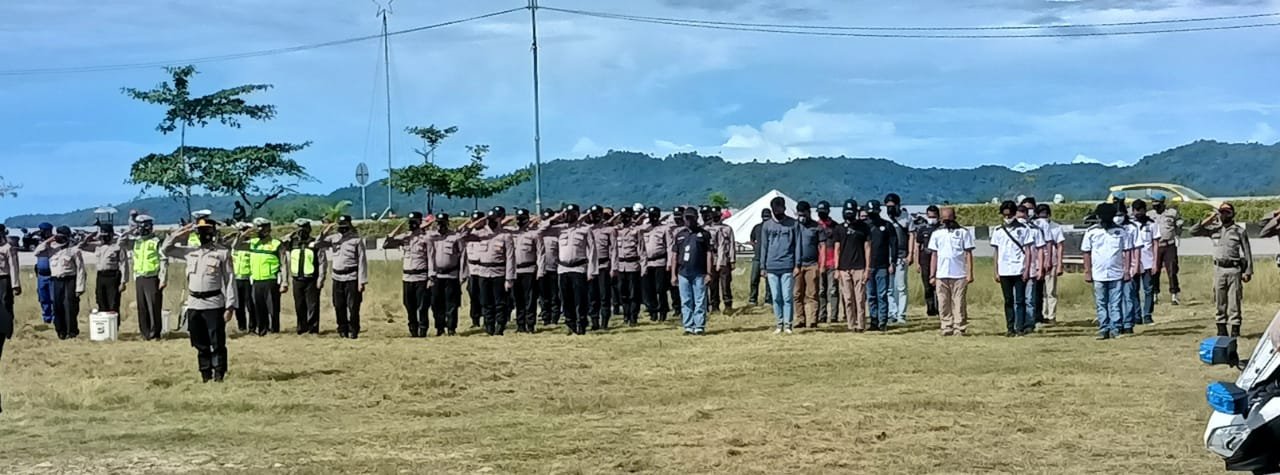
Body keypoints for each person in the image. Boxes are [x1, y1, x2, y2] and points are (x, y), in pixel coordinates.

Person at [161, 217, 236, 382]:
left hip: (214, 303)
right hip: (194, 304)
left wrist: (230, 306)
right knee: (199, 342)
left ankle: (219, 374)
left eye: (207, 231)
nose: (204, 234)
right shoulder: (190, 252)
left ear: (213, 232)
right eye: (200, 231)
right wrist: (178, 235)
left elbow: (230, 280)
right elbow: (166, 250)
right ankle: (205, 373)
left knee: (217, 342)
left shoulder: (222, 253)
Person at [1192, 202, 1253, 337]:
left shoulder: (1239, 231)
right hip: (1219, 269)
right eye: (1222, 212)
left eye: (1227, 212)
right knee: (1219, 299)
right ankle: (1221, 327)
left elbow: (1247, 252)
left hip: (1234, 269)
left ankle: (1235, 328)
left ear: (1233, 214)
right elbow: (1194, 231)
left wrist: (1248, 271)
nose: (1224, 215)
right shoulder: (1214, 229)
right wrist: (1210, 218)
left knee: (1234, 300)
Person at [460, 207, 517, 336]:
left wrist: (509, 279)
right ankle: (489, 326)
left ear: (500, 219)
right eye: (490, 219)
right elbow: (462, 236)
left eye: (494, 219)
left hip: (499, 272)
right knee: (485, 301)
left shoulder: (505, 235)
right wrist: (478, 221)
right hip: (483, 272)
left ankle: (500, 326)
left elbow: (510, 258)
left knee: (500, 302)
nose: (491, 221)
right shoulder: (481, 234)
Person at [545, 204, 599, 335]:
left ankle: (581, 324)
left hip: (579, 268)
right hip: (563, 269)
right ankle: (570, 324)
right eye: (567, 213)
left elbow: (592, 251)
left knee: (580, 299)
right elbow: (541, 229)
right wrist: (557, 216)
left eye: (571, 213)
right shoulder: (559, 229)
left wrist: (592, 271)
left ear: (577, 214)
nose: (569, 216)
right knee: (566, 299)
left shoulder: (585, 230)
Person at [315, 215, 368, 339]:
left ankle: (353, 329)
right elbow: (317, 244)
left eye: (345, 225)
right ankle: (342, 329)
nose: (342, 227)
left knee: (353, 306)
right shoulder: (333, 238)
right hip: (337, 277)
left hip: (352, 277)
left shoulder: (356, 240)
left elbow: (362, 261)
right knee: (338, 305)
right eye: (340, 225)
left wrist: (362, 281)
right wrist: (326, 230)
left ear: (349, 225)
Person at [1083, 203, 1130, 340]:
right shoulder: (1091, 232)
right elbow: (1086, 252)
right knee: (1101, 303)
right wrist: (1087, 271)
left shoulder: (1121, 231)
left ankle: (1115, 328)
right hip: (1098, 274)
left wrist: (1127, 270)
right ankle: (1104, 329)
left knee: (1115, 303)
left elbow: (1127, 251)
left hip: (1116, 273)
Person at [991, 201, 1036, 337]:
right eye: (1005, 215)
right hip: (1004, 270)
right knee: (1008, 300)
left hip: (1019, 269)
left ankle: (1020, 327)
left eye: (1010, 215)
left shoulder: (1024, 229)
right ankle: (1010, 327)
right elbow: (996, 252)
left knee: (1020, 300)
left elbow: (1028, 251)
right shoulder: (998, 231)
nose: (1007, 218)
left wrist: (1027, 269)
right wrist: (996, 271)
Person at [384, 212, 433, 337]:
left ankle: (423, 329)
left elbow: (431, 258)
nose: (412, 224)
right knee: (409, 305)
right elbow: (387, 244)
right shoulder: (404, 237)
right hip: (407, 277)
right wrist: (399, 227)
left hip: (421, 277)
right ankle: (413, 329)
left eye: (414, 222)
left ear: (419, 222)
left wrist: (431, 277)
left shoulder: (426, 238)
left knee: (422, 306)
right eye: (410, 222)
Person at [928, 207, 975, 336]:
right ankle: (946, 326)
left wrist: (970, 273)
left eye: (949, 218)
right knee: (943, 302)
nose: (947, 221)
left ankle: (959, 327)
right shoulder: (937, 234)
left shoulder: (963, 232)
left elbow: (968, 254)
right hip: (941, 274)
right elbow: (934, 255)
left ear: (954, 217)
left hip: (959, 274)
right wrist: (932, 275)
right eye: (944, 219)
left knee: (959, 302)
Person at [119, 215, 167, 340]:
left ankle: (155, 333)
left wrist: (163, 279)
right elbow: (121, 243)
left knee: (153, 306)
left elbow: (163, 260)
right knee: (142, 306)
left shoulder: (156, 241)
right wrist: (130, 231)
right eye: (138, 226)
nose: (140, 229)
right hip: (139, 277)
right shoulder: (137, 241)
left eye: (142, 226)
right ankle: (145, 333)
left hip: (152, 277)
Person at [35, 226, 86, 340]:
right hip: (56, 280)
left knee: (69, 306)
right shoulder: (51, 249)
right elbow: (37, 252)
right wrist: (49, 240)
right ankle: (60, 331)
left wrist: (80, 287)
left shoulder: (74, 250)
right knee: (57, 306)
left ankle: (71, 332)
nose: (60, 239)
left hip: (69, 279)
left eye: (62, 237)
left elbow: (81, 270)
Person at [758, 197, 800, 334]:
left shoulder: (793, 224)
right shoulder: (767, 225)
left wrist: (797, 264)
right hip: (771, 266)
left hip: (788, 264)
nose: (778, 211)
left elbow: (797, 245)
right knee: (776, 297)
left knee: (787, 297)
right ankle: (779, 323)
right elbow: (764, 246)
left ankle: (788, 324)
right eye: (775, 209)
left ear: (784, 208)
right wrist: (762, 266)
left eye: (780, 208)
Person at [671, 207, 713, 335]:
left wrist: (709, 273)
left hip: (699, 272)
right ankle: (688, 325)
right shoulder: (679, 235)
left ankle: (699, 325)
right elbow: (674, 255)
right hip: (683, 272)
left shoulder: (704, 234)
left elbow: (709, 254)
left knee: (700, 300)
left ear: (696, 218)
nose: (689, 221)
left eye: (691, 218)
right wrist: (673, 274)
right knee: (686, 300)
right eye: (687, 218)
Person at [832, 200, 869, 332]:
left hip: (859, 267)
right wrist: (836, 268)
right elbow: (837, 249)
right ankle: (850, 324)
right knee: (848, 298)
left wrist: (867, 268)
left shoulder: (863, 227)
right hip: (843, 268)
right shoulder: (839, 228)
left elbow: (867, 248)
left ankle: (861, 324)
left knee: (860, 299)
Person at [79, 222, 129, 317]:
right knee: (101, 301)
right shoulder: (97, 246)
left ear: (111, 234)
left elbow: (124, 264)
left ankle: (114, 324)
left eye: (106, 234)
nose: (104, 237)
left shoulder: (117, 247)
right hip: (101, 276)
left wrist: (123, 282)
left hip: (113, 276)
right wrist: (89, 237)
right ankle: (104, 323)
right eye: (103, 235)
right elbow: (81, 246)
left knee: (113, 303)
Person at [428, 213, 466, 336]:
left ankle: (451, 328)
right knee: (436, 304)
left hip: (451, 275)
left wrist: (462, 275)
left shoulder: (455, 237)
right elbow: (430, 256)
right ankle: (440, 328)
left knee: (452, 304)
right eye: (438, 223)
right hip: (437, 276)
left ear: (447, 223)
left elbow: (463, 256)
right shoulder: (432, 238)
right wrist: (430, 274)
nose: (440, 226)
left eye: (442, 223)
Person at [285, 220, 325, 335]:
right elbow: (282, 242)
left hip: (311, 279)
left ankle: (312, 329)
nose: (301, 231)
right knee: (299, 305)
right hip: (297, 279)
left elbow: (322, 261)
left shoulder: (314, 243)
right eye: (299, 228)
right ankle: (302, 327)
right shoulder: (292, 242)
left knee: (312, 305)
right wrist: (292, 234)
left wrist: (321, 278)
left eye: (304, 228)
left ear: (309, 229)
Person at [1148, 193, 1184, 305]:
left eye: (1157, 203)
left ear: (1163, 203)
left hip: (1169, 245)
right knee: (1155, 270)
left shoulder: (1171, 213)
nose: (1155, 205)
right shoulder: (1150, 214)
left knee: (1172, 270)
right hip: (1156, 245)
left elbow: (1179, 224)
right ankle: (1154, 294)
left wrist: (1177, 235)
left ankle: (1174, 295)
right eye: (1153, 203)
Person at [884, 193, 914, 325]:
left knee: (901, 287)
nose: (890, 208)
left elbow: (912, 235)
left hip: (902, 256)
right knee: (889, 288)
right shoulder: (884, 217)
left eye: (892, 206)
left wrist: (911, 254)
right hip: (887, 256)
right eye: (888, 206)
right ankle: (892, 313)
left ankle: (901, 314)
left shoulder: (907, 217)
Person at [1016, 203, 1047, 330]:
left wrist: (1040, 268)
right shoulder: (1013, 230)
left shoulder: (1035, 230)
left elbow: (1040, 249)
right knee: (1018, 299)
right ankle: (1018, 323)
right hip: (1016, 269)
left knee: (1029, 298)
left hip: (1032, 268)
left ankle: (1029, 323)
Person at [511, 208, 543, 333]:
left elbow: (541, 254)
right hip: (515, 271)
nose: (519, 221)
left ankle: (530, 324)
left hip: (529, 270)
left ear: (527, 219)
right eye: (518, 218)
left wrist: (540, 271)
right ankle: (520, 325)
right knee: (518, 299)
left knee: (530, 300)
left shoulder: (534, 234)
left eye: (522, 218)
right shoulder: (512, 233)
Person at [1034, 204, 1066, 325]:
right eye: (1040, 214)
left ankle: (1051, 315)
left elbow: (1060, 246)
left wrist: (1059, 264)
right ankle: (1041, 314)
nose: (1043, 217)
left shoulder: (1056, 227)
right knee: (1039, 292)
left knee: (1050, 291)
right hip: (1037, 263)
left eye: (1045, 214)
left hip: (1051, 262)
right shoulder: (1034, 226)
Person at [793, 201, 823, 329]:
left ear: (808, 212)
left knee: (812, 294)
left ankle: (813, 320)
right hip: (797, 266)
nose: (802, 217)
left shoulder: (816, 227)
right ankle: (800, 319)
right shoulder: (794, 226)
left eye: (803, 214)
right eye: (799, 214)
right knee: (797, 294)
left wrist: (821, 265)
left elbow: (822, 246)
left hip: (812, 264)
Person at [613, 208, 645, 327]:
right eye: (622, 216)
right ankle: (626, 315)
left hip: (633, 265)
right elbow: (614, 250)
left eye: (626, 216)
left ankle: (633, 316)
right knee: (623, 293)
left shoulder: (636, 230)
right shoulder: (617, 230)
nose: (624, 218)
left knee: (633, 293)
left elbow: (641, 249)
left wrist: (644, 266)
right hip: (621, 265)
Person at [1130, 200, 1160, 326]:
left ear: (1144, 210)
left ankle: (1147, 315)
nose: (1138, 213)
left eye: (1140, 210)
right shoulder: (1130, 225)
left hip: (1148, 261)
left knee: (1148, 289)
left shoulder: (1152, 224)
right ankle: (1137, 316)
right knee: (1134, 290)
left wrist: (1155, 263)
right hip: (1133, 263)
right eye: (1136, 211)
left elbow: (1155, 244)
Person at [640, 206, 673, 322]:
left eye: (655, 215)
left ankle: (663, 311)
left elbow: (669, 246)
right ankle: (653, 311)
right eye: (651, 215)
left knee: (661, 289)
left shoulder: (665, 228)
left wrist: (669, 262)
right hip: (647, 263)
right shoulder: (645, 229)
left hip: (660, 262)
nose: (653, 218)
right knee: (649, 289)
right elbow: (642, 248)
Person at [588, 205, 616, 330]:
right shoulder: (587, 229)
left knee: (604, 295)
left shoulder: (609, 230)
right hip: (590, 267)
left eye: (596, 214)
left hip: (604, 265)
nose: (594, 217)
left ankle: (604, 321)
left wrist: (614, 267)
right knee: (592, 296)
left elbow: (613, 250)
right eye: (592, 214)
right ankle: (594, 321)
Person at [815, 201, 841, 323]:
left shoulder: (836, 227)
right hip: (819, 263)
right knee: (821, 290)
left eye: (823, 211)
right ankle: (822, 315)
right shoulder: (815, 226)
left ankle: (834, 316)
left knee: (833, 290)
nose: (821, 214)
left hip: (832, 263)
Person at [707, 206, 735, 315]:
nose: (715, 218)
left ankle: (728, 305)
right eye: (713, 216)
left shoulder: (727, 229)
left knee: (725, 284)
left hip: (724, 259)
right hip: (712, 259)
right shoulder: (707, 229)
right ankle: (714, 306)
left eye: (717, 216)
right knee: (713, 284)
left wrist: (732, 260)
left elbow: (732, 244)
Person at [914, 205, 941, 318]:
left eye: (934, 216)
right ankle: (930, 308)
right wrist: (917, 263)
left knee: (939, 285)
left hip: (939, 260)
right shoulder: (922, 229)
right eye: (930, 216)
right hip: (925, 259)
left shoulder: (942, 229)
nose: (932, 219)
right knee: (927, 286)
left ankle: (940, 308)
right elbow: (917, 246)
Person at [0, 224, 22, 362]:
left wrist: (15, 285)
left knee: (5, 303)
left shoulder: (7, 248)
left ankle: (7, 329)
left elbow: (13, 267)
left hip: (4, 279)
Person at [537, 208, 562, 326]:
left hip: (554, 269)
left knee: (555, 295)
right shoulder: (539, 232)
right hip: (541, 269)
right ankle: (545, 317)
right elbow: (542, 227)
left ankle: (555, 317)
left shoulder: (558, 232)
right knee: (543, 296)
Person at [229, 222, 254, 333]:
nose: (242, 232)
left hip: (248, 279)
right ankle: (242, 326)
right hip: (236, 279)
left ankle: (252, 327)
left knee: (250, 305)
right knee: (238, 305)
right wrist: (237, 234)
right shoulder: (235, 245)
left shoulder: (251, 245)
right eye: (241, 230)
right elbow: (234, 245)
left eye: (244, 230)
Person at [747, 209, 773, 307]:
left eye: (767, 216)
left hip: (769, 257)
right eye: (764, 216)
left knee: (769, 281)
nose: (765, 218)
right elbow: (752, 239)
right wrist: (755, 247)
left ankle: (768, 300)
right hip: (757, 257)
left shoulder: (772, 227)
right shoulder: (757, 227)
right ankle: (753, 299)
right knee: (754, 279)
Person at [34, 222, 54, 324]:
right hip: (41, 275)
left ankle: (54, 317)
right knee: (43, 298)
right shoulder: (40, 243)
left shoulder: (54, 242)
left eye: (44, 231)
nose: (41, 233)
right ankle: (46, 317)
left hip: (51, 275)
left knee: (53, 298)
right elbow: (36, 253)